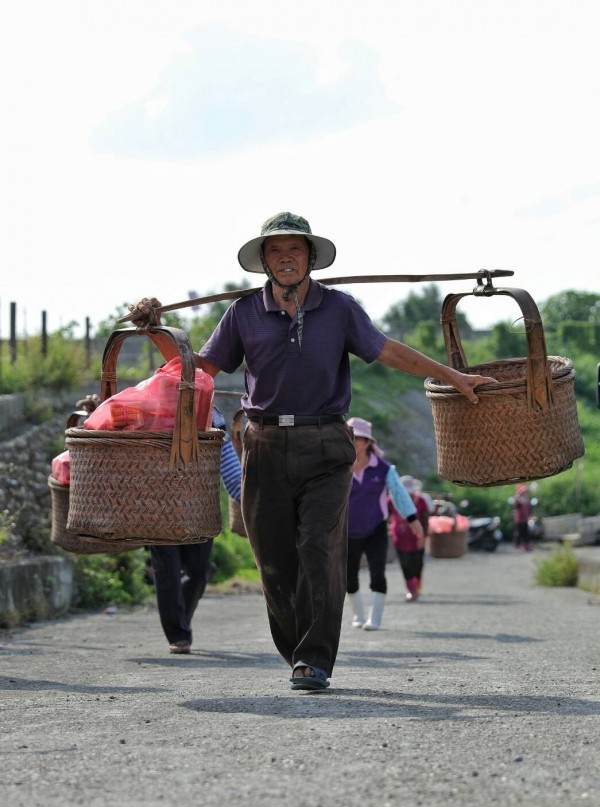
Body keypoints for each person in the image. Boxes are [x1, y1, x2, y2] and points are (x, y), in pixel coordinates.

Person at [130, 211, 495, 690]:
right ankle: (297, 650)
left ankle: (314, 658)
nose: (285, 258)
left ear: (310, 258)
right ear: (263, 261)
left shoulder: (340, 309)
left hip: (325, 442)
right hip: (261, 443)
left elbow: (390, 351)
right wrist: (155, 329)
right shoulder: (242, 314)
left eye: (294, 250)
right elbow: (194, 375)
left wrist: (452, 376)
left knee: (320, 548)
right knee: (275, 561)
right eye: (275, 251)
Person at [149, 407, 242, 654]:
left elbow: (230, 467)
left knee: (198, 571)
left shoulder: (212, 416)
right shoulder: (151, 410)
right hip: (158, 506)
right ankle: (178, 634)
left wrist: (249, 498)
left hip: (198, 507)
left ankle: (182, 618)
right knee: (167, 569)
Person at [346, 418, 423, 630]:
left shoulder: (383, 469)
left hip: (375, 529)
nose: (353, 442)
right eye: (350, 437)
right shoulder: (339, 466)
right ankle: (359, 615)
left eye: (357, 438)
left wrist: (413, 519)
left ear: (367, 442)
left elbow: (399, 494)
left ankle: (375, 618)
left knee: (377, 573)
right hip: (346, 530)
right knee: (348, 576)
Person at [389, 475, 430, 601]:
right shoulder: (392, 501)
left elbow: (425, 520)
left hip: (417, 537)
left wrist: (423, 537)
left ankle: (417, 587)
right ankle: (411, 589)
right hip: (400, 537)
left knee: (418, 563)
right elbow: (383, 513)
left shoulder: (421, 501)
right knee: (405, 563)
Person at [513, 484, 532, 552]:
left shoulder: (526, 499)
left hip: (525, 518)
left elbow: (529, 509)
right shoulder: (518, 498)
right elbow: (516, 506)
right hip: (519, 519)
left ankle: (526, 545)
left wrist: (530, 516)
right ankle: (517, 546)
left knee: (526, 532)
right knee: (519, 533)